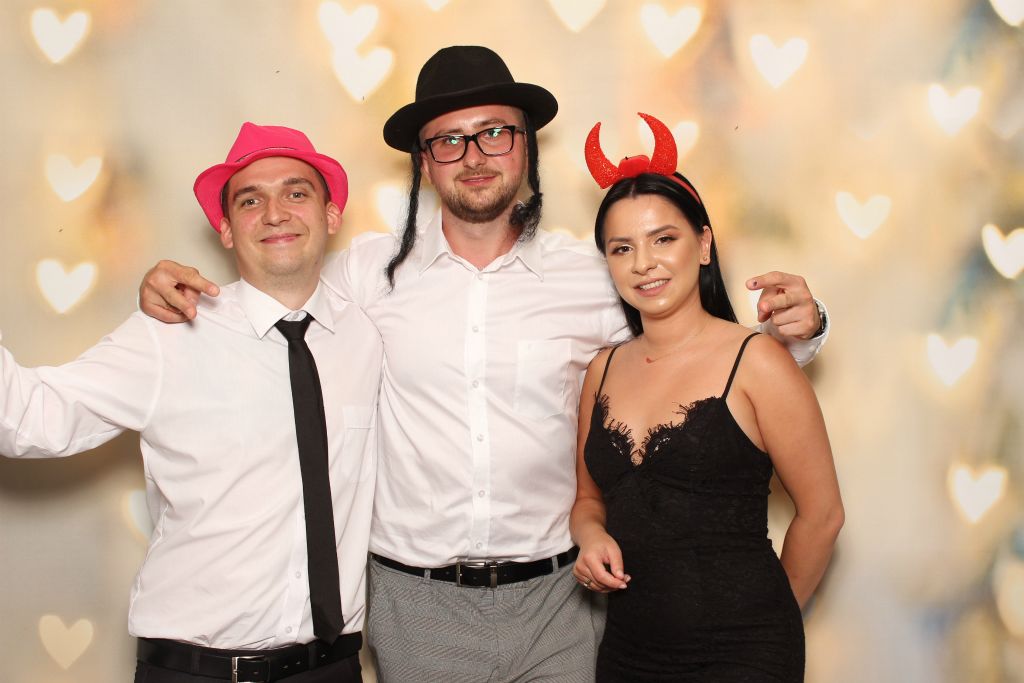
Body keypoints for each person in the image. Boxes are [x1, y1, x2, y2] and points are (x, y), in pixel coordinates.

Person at [137, 47, 830, 682]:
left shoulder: (593, 272)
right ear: (424, 161)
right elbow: (276, 302)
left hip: (560, 600)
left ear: (526, 145)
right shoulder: (367, 273)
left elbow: (696, 351)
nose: (473, 156)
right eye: (449, 140)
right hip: (418, 603)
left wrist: (803, 331)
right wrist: (184, 295)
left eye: (495, 132)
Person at [0, 123, 382, 682]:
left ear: (331, 215)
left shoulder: (370, 331)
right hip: (195, 671)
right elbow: (29, 420)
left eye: (296, 193)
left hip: (329, 669)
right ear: (225, 229)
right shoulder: (170, 333)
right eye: (250, 201)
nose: (275, 213)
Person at [570, 114, 844, 682]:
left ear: (703, 244)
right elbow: (588, 499)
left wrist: (769, 627)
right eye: (622, 248)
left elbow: (823, 516)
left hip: (743, 655)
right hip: (628, 654)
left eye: (663, 239)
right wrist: (591, 535)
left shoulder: (757, 361)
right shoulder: (602, 369)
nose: (643, 263)